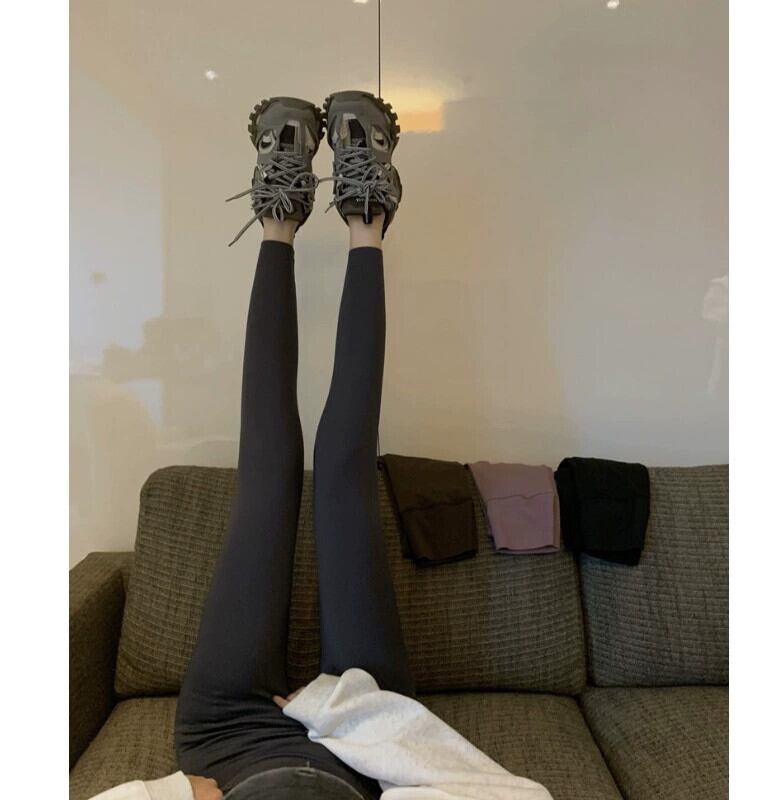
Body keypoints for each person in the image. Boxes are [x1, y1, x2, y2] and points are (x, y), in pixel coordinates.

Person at [89, 92, 552, 800]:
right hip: (369, 737)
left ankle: (280, 216)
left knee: (268, 479)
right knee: (342, 474)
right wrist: (334, 714)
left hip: (227, 735)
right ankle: (368, 215)